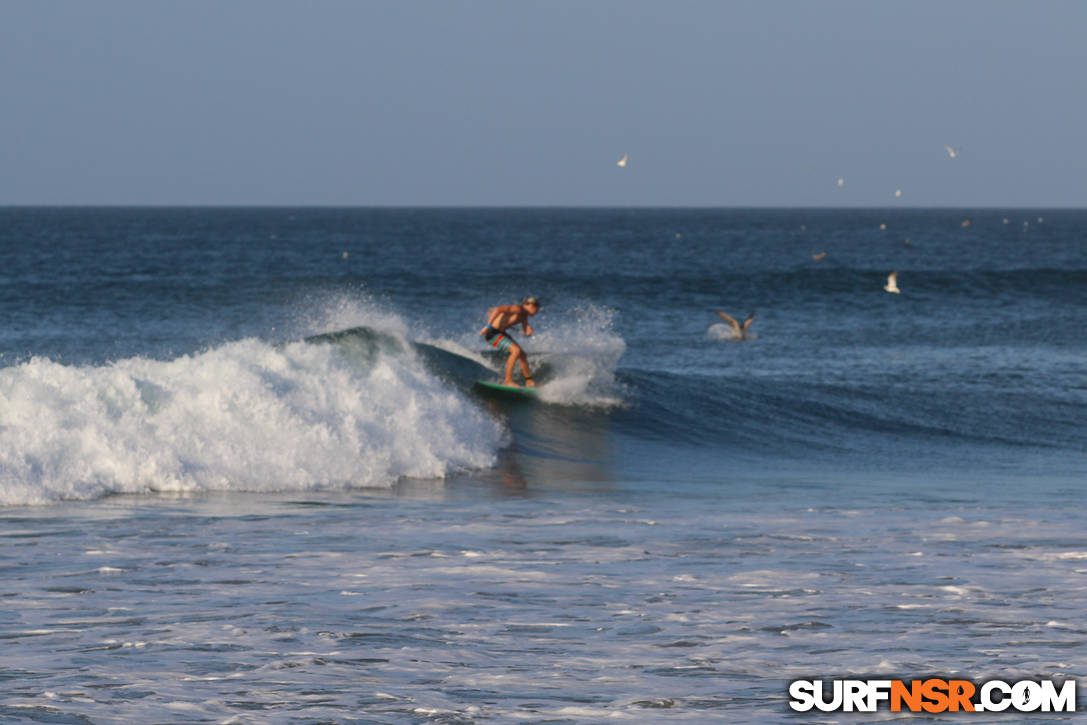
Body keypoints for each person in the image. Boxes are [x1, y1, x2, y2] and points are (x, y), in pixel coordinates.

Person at [480, 297, 540, 387]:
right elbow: (498, 309)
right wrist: (487, 326)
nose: (536, 313)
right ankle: (507, 380)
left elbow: (526, 330)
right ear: (531, 306)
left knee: (522, 354)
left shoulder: (524, 316)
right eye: (536, 310)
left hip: (501, 334)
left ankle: (529, 381)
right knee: (516, 351)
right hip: (492, 333)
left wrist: (528, 331)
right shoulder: (517, 308)